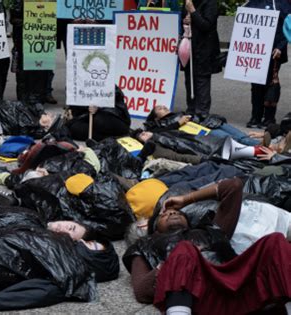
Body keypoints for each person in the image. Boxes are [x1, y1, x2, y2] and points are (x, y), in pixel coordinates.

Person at [123, 178, 291, 314]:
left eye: (177, 212)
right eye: (164, 214)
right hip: (202, 297)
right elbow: (142, 290)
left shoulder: (211, 229)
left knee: (274, 241)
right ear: (153, 229)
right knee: (184, 251)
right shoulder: (144, 246)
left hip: (238, 288)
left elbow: (233, 186)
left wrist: (186, 199)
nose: (172, 212)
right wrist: (172, 263)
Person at [246, 0, 288, 128]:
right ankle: (256, 116)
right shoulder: (252, 3)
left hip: (274, 51)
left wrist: (280, 47)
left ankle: (269, 118)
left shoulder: (282, 4)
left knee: (270, 83)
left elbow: (288, 27)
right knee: (256, 84)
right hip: (256, 51)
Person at [145, 105, 260, 145]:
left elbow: (200, 116)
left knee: (241, 136)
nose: (164, 107)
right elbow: (156, 133)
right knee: (237, 140)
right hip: (204, 132)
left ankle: (265, 147)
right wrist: (177, 123)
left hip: (211, 123)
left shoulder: (180, 113)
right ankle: (267, 148)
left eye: (163, 106)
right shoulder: (159, 125)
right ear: (156, 117)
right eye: (159, 109)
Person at [181, 0, 220, 117]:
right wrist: (185, 21)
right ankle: (191, 109)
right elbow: (184, 22)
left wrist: (193, 11)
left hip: (205, 48)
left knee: (201, 79)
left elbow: (206, 25)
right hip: (190, 46)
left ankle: (202, 112)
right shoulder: (188, 1)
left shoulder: (210, 3)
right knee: (189, 78)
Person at [66, 87, 131, 141]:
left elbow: (117, 94)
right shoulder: (78, 83)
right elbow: (77, 108)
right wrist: (72, 114)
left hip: (112, 117)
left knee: (99, 120)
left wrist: (99, 105)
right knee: (73, 129)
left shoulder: (104, 81)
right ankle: (108, 138)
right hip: (90, 121)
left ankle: (116, 136)